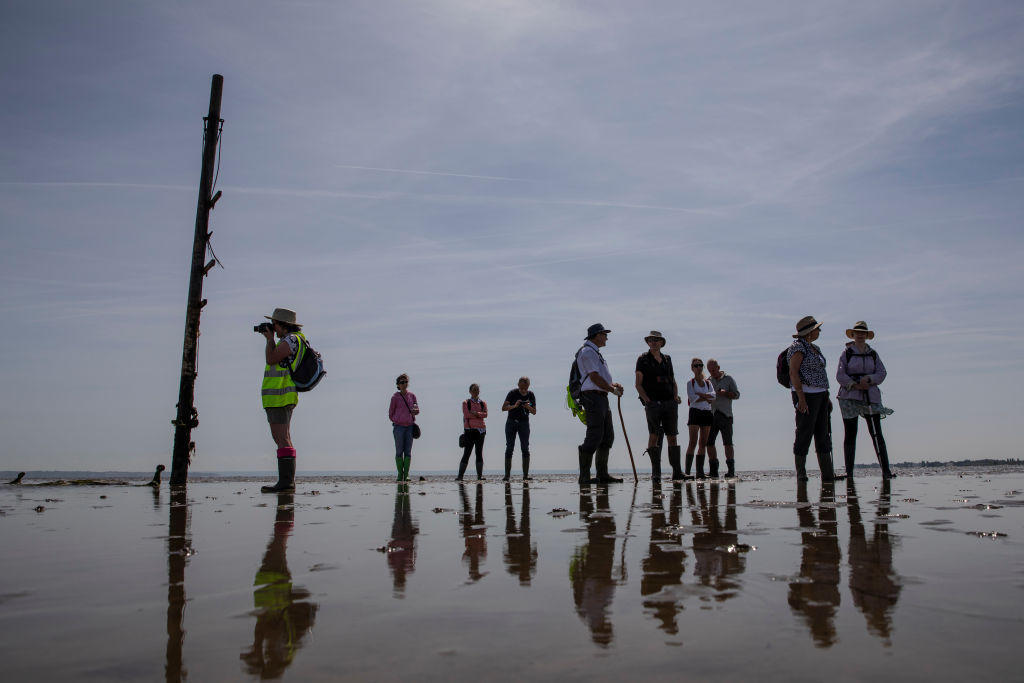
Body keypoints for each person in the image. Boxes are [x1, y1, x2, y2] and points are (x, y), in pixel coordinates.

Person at [258, 308, 309, 493]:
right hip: (281, 396)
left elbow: (271, 359)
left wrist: (270, 340)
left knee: (281, 438)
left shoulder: (291, 340)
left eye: (275, 324)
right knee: (282, 437)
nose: (273, 328)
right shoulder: (292, 340)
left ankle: (286, 482)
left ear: (283, 325)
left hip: (280, 396)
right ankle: (286, 481)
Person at [836, 321, 894, 479]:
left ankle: (886, 471)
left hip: (870, 395)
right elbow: (840, 375)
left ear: (867, 335)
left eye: (863, 333)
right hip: (850, 396)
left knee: (876, 433)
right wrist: (854, 385)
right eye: (857, 332)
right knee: (850, 433)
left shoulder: (873, 353)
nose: (860, 335)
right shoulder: (846, 353)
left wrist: (869, 379)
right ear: (853, 335)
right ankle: (849, 473)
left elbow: (882, 373)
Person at [575, 323, 625, 485]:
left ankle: (602, 474)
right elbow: (594, 377)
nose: (606, 338)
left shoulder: (594, 352)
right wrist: (612, 389)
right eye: (604, 334)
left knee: (607, 436)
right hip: (593, 397)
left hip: (600, 396)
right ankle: (584, 476)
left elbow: (599, 377)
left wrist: (612, 385)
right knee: (595, 434)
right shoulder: (588, 352)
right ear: (596, 335)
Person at [787, 316, 835, 482]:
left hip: (821, 394)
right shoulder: (798, 347)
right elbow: (793, 373)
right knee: (804, 432)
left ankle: (827, 475)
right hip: (806, 395)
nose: (819, 331)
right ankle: (801, 474)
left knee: (823, 434)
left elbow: (821, 373)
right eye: (817, 329)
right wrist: (801, 397)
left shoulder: (815, 348)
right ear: (809, 332)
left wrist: (826, 397)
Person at [634, 331, 681, 481]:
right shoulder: (643, 359)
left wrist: (675, 397)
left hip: (669, 403)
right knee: (654, 435)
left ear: (661, 342)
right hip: (653, 403)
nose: (653, 342)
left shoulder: (667, 359)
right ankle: (656, 473)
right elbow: (638, 384)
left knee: (672, 436)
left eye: (656, 340)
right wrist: (647, 400)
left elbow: (673, 380)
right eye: (650, 340)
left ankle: (677, 472)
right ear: (648, 342)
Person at [706, 359, 741, 478]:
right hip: (711, 415)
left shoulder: (728, 379)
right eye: (710, 371)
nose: (713, 372)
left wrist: (725, 393)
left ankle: (731, 471)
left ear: (719, 367)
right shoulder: (708, 381)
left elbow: (737, 395)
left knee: (728, 443)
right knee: (709, 443)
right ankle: (713, 470)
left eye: (714, 370)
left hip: (726, 415)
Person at [683, 358, 715, 479]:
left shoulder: (708, 383)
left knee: (703, 443)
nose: (698, 367)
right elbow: (693, 399)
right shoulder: (690, 383)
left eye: (700, 365)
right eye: (696, 365)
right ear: (692, 368)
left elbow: (713, 396)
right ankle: (687, 472)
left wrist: (702, 395)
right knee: (693, 442)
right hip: (695, 413)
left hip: (706, 412)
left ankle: (700, 472)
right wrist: (706, 397)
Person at [502, 377, 536, 481]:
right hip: (511, 422)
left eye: (525, 388)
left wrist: (527, 406)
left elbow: (534, 411)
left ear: (528, 386)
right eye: (521, 388)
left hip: (524, 423)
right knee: (509, 448)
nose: (523, 390)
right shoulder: (512, 393)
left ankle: (525, 476)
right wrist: (514, 405)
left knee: (525, 448)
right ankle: (507, 475)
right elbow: (503, 408)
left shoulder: (531, 395)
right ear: (518, 385)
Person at [388, 373, 419, 482]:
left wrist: (415, 412)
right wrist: (398, 420)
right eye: (402, 382)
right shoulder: (395, 397)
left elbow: (417, 409)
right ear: (398, 385)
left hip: (410, 427)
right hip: (398, 427)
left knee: (408, 452)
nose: (405, 384)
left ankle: (406, 474)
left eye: (406, 382)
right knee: (399, 451)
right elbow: (390, 414)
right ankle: (400, 474)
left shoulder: (412, 396)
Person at [457, 384, 488, 481]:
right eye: (474, 390)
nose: (476, 391)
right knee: (467, 453)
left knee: (479, 453)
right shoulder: (466, 402)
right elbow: (466, 414)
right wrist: (479, 415)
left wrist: (476, 414)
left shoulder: (483, 403)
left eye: (477, 390)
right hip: (469, 431)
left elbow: (486, 414)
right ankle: (460, 476)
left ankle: (479, 476)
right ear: (470, 391)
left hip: (481, 431)